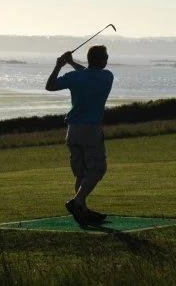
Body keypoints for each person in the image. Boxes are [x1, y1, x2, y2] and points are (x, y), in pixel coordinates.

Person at [45, 45, 113, 225]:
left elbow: (49, 86)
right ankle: (76, 202)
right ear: (101, 60)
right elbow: (90, 74)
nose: (107, 59)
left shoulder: (75, 77)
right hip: (91, 130)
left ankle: (81, 209)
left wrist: (61, 64)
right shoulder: (107, 76)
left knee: (82, 173)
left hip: (72, 131)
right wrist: (71, 63)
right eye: (106, 56)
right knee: (98, 169)